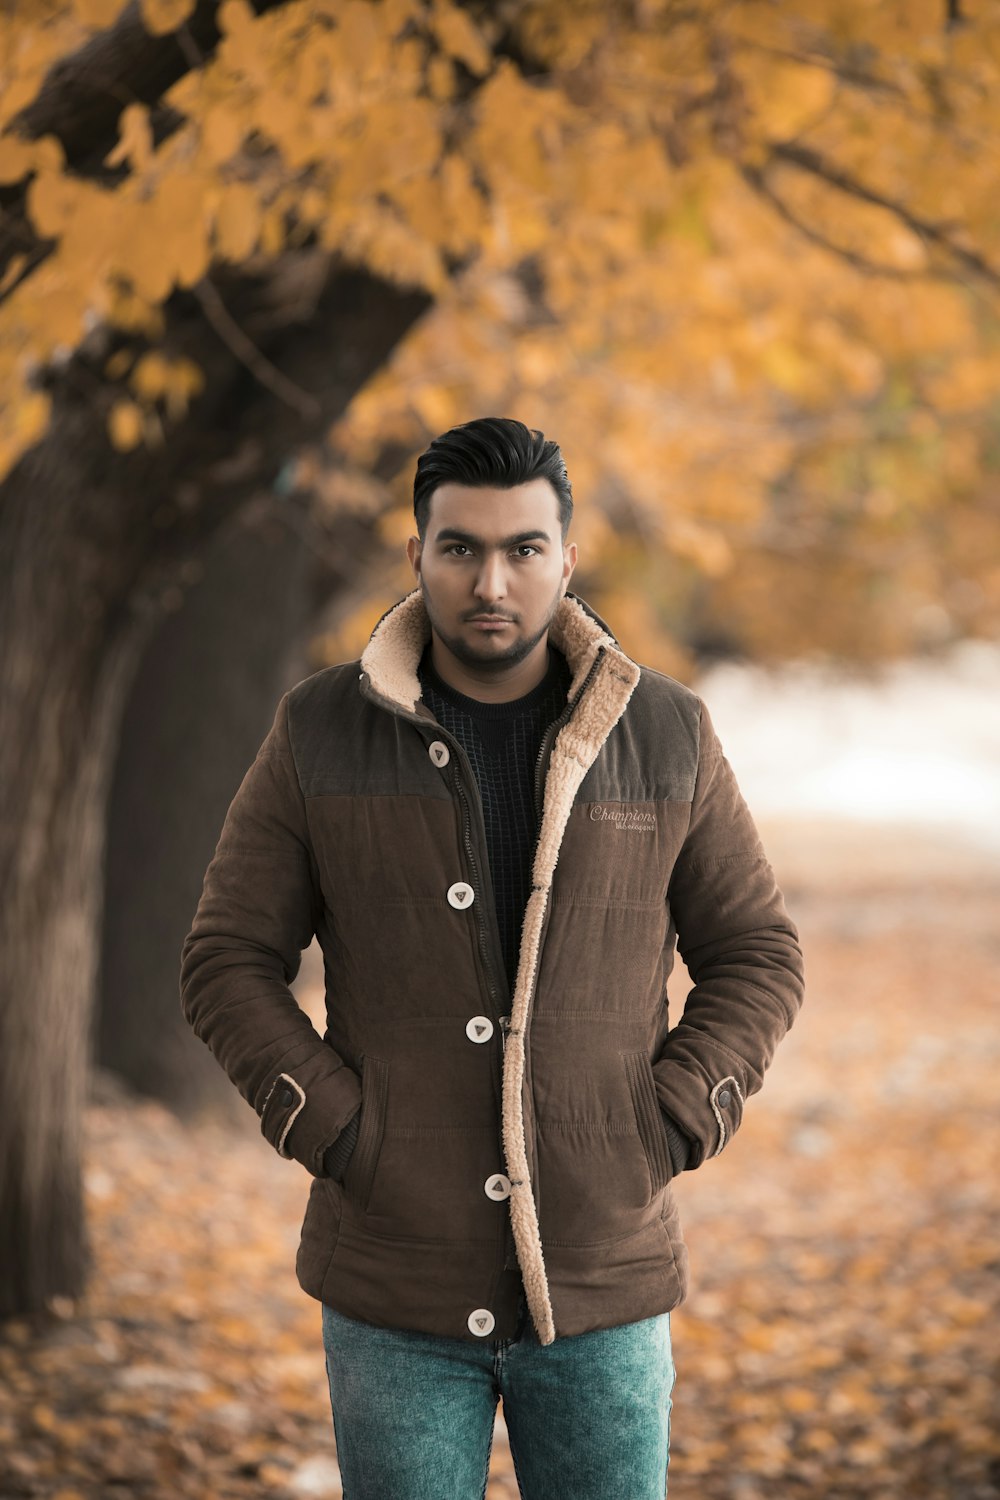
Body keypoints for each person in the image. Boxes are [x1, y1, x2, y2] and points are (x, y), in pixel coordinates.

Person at [180, 416, 805, 1499]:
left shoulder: (666, 733)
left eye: (523, 549)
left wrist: (665, 1121)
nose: (491, 581)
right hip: (392, 1283)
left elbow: (755, 952)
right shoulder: (318, 730)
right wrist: (334, 1127)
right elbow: (228, 958)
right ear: (416, 555)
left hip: (603, 1275)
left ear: (567, 559)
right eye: (459, 547)